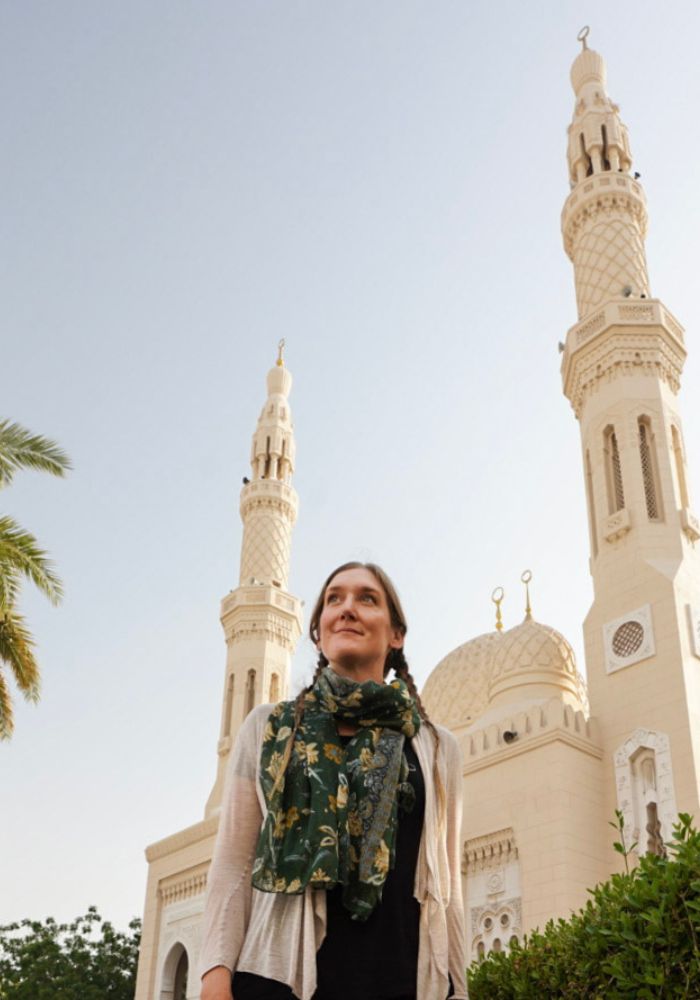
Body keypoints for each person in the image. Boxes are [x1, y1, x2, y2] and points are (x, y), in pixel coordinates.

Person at [199, 562, 468, 1000]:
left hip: (399, 979)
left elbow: (448, 885)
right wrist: (215, 974)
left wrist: (458, 986)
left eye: (367, 598)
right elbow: (233, 864)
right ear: (319, 633)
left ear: (396, 634)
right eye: (333, 599)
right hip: (277, 980)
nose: (347, 608)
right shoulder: (269, 727)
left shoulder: (437, 748)